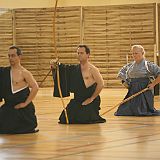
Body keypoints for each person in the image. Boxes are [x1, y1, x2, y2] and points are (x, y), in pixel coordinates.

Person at [51, 44, 106, 124]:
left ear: (88, 55)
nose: (79, 55)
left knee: (84, 119)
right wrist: (56, 66)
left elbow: (101, 84)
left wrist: (91, 98)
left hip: (90, 98)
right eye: (78, 53)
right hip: (78, 99)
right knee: (65, 118)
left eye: (82, 53)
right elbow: (63, 71)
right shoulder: (74, 69)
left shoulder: (93, 69)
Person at [0, 46, 39, 134]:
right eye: (9, 56)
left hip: (22, 110)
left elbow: (35, 87)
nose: (10, 58)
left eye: (13, 56)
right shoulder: (4, 71)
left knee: (14, 128)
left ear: (19, 57)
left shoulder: (24, 73)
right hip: (8, 107)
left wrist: (25, 104)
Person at [115, 45, 160, 116]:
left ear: (142, 53)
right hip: (133, 90)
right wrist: (125, 82)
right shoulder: (130, 66)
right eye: (133, 53)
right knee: (122, 111)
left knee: (140, 111)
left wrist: (153, 84)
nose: (134, 55)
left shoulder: (148, 65)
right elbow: (121, 74)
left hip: (144, 90)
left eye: (136, 53)